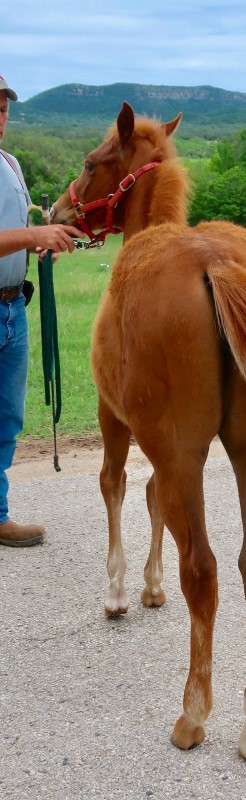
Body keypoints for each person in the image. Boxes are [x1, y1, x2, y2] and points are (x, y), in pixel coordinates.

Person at [0, 74, 82, 547]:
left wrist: (42, 248)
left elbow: (19, 229)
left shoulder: (10, 163)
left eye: (4, 109)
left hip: (13, 308)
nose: (0, 118)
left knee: (7, 418)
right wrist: (34, 236)